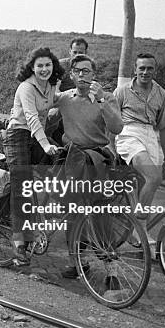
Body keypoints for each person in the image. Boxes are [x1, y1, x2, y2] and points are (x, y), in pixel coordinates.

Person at [51, 54, 124, 279]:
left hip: (97, 160)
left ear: (94, 75)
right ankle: (78, 261)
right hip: (72, 159)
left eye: (87, 71)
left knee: (100, 214)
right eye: (78, 71)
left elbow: (117, 127)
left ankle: (111, 269)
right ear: (72, 75)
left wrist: (102, 101)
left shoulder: (106, 98)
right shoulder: (64, 98)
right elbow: (45, 107)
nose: (82, 75)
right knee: (73, 214)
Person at [4, 47, 64, 265]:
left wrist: (84, 94)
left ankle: (42, 215)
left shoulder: (49, 87)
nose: (44, 69)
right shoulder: (26, 87)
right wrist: (46, 144)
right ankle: (19, 244)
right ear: (32, 67)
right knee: (22, 186)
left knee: (62, 161)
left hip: (37, 137)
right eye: (40, 65)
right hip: (19, 134)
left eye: (48, 65)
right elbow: (31, 118)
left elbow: (59, 99)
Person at [114, 53, 165, 245]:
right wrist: (109, 147)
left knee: (148, 186)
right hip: (128, 133)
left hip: (150, 135)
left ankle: (137, 231)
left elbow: (164, 127)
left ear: (155, 70)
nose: (145, 72)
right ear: (135, 69)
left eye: (150, 68)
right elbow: (110, 119)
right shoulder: (122, 91)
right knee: (153, 177)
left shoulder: (161, 94)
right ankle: (139, 228)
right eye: (142, 68)